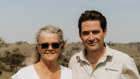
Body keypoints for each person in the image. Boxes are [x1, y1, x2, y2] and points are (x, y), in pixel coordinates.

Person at [68, 10, 140, 79]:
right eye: (86, 33)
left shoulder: (124, 61)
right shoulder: (74, 61)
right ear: (80, 35)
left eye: (95, 32)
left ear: (104, 32)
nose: (91, 38)